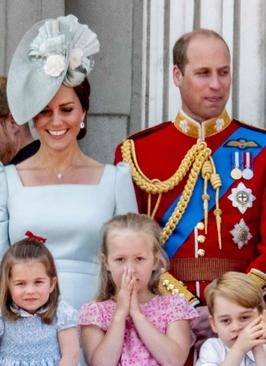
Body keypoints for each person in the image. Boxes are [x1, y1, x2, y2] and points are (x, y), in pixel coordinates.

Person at [0, 14, 137, 318]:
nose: (56, 122)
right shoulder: (5, 179)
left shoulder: (115, 179)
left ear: (83, 112)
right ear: (34, 118)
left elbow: (130, 261)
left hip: (96, 323)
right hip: (22, 323)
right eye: (45, 112)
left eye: (66, 110)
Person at [114, 28, 266, 344]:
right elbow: (130, 248)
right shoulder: (137, 152)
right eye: (203, 73)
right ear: (177, 75)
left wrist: (232, 307)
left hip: (244, 320)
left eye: (223, 73)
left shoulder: (260, 148)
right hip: (162, 318)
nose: (216, 84)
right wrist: (181, 306)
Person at [80, 213, 199, 366]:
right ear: (106, 263)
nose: (130, 269)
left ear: (155, 261)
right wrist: (120, 314)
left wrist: (137, 314)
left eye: (139, 259)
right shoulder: (95, 312)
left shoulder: (174, 306)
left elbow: (174, 361)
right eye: (120, 259)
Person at [0, 235, 80, 366]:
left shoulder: (62, 313)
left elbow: (71, 356)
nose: (30, 290)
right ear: (7, 285)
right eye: (21, 283)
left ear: (52, 284)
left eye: (38, 282)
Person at [197, 271, 266, 366]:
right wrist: (239, 349)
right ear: (214, 324)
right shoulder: (212, 348)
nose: (236, 327)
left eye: (244, 317)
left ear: (262, 317)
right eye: (226, 320)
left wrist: (258, 350)